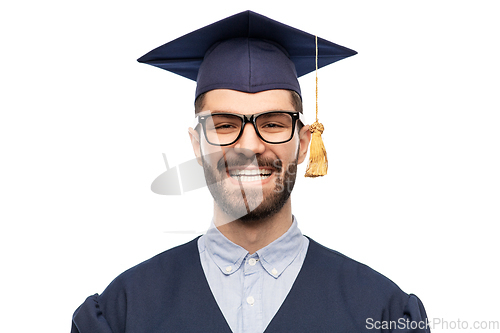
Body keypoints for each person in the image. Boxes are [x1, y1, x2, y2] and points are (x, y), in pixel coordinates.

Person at [71, 10, 430, 333]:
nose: (249, 146)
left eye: (273, 124)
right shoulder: (123, 314)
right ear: (197, 145)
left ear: (305, 142)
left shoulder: (383, 313)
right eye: (225, 125)